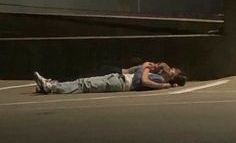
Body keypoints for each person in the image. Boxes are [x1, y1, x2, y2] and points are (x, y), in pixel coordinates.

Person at [34, 61, 187, 95]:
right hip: (119, 78)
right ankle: (51, 85)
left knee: (86, 85)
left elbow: (142, 81)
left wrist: (145, 68)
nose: (169, 69)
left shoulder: (160, 80)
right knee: (84, 82)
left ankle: (51, 87)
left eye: (172, 71)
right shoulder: (158, 75)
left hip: (122, 83)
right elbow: (135, 72)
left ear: (171, 77)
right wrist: (146, 65)